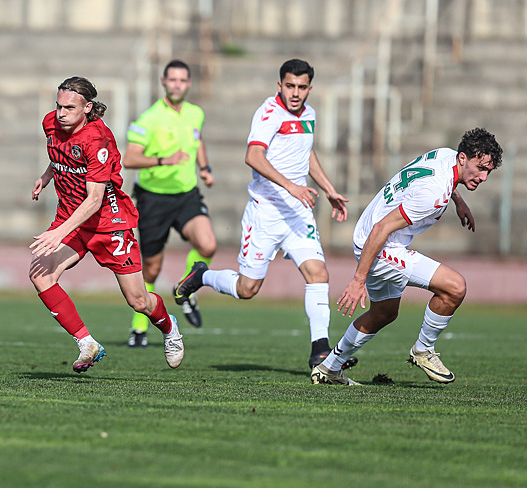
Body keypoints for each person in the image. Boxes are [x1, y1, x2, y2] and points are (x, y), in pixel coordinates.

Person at [174, 58, 353, 370]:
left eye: (301, 87)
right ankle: (202, 275)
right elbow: (253, 155)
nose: (295, 93)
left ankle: (320, 351)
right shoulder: (269, 113)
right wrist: (291, 186)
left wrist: (327, 188)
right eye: (289, 86)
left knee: (318, 274)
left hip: (298, 214)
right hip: (266, 213)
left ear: (310, 88)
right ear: (279, 85)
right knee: (247, 289)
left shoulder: (309, 114)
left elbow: (305, 151)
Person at [311, 128, 502, 385]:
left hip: (368, 232)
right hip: (380, 245)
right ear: (462, 159)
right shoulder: (434, 194)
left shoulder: (445, 155)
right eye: (480, 168)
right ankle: (423, 350)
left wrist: (458, 200)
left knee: (384, 313)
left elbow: (435, 180)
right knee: (455, 287)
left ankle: (328, 369)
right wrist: (358, 281)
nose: (484, 176)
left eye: (488, 171)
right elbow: (382, 229)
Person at [29, 76, 184, 372]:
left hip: (108, 221)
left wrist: (58, 232)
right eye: (59, 106)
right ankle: (87, 343)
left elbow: (95, 199)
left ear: (87, 108)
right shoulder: (51, 122)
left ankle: (169, 328)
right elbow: (60, 152)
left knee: (138, 301)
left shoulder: (96, 139)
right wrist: (47, 176)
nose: (61, 113)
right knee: (41, 274)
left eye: (69, 108)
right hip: (71, 217)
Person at [122, 59, 217, 348]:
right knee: (150, 269)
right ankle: (139, 328)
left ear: (189, 83)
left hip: (186, 195)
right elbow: (129, 158)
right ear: (163, 82)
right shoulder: (149, 119)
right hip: (153, 199)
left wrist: (205, 168)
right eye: (172, 80)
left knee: (208, 245)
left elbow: (197, 140)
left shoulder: (195, 113)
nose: (177, 85)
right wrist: (165, 160)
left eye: (182, 80)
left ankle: (185, 288)